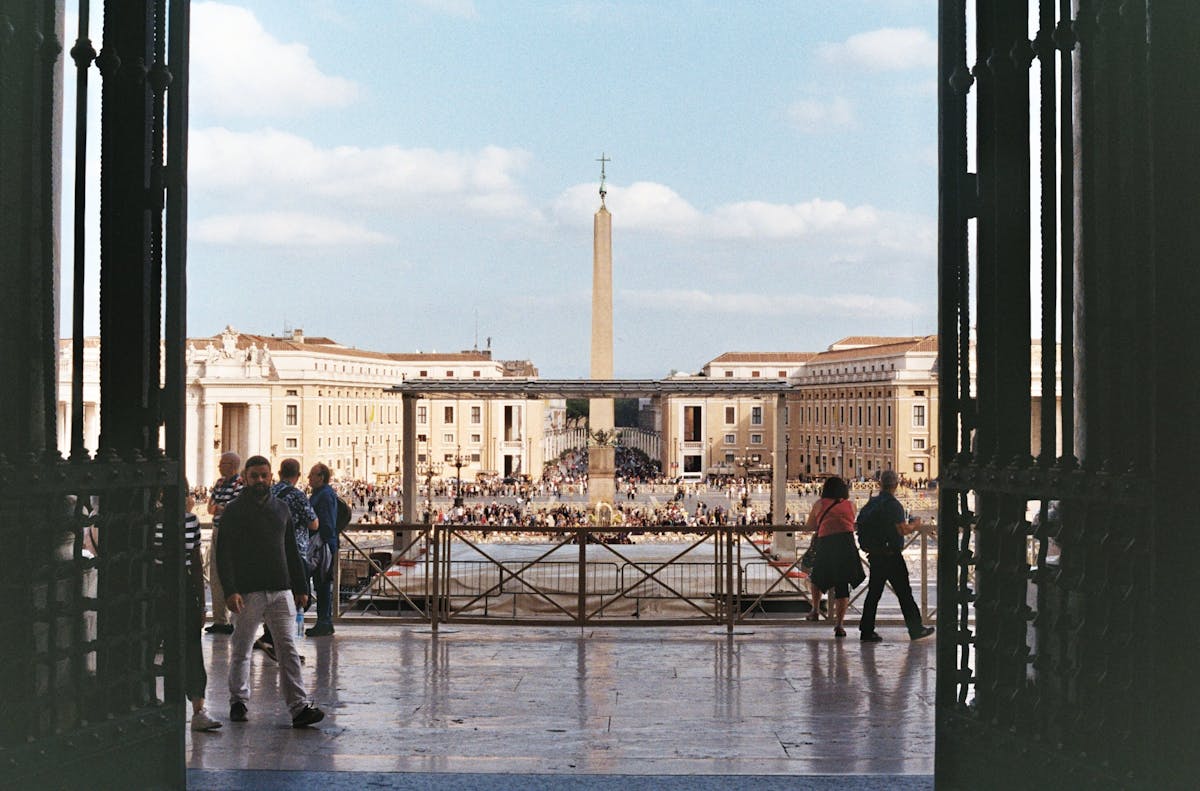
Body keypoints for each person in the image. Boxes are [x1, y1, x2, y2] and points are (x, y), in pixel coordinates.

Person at [216, 455, 324, 728]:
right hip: (248, 592)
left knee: (287, 648)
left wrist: (301, 587)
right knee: (241, 648)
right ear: (245, 478)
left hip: (280, 589)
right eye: (255, 476)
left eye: (264, 475)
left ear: (271, 477)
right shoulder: (233, 511)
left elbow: (291, 550)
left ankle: (299, 707)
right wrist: (230, 590)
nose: (260, 480)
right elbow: (224, 554)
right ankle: (238, 701)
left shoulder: (282, 509)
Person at [152, 484, 221, 731]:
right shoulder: (189, 521)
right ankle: (198, 710)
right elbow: (193, 562)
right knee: (191, 649)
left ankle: (151, 703)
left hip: (157, 587)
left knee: (152, 646)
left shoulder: (152, 521)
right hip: (177, 587)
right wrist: (200, 603)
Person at [857, 469, 935, 642]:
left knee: (873, 594)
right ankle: (915, 629)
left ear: (880, 484)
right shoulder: (894, 505)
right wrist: (914, 525)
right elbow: (902, 529)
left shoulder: (871, 503)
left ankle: (866, 630)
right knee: (904, 593)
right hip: (891, 555)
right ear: (896, 485)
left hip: (875, 555)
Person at [254, 458, 319, 662]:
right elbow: (313, 524)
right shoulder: (297, 496)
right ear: (297, 476)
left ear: (279, 473)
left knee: (270, 596)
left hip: (267, 553)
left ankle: (268, 635)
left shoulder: (268, 493)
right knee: (293, 602)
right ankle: (281, 645)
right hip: (293, 554)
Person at [805, 476, 865, 638]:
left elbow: (810, 526)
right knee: (842, 585)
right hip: (846, 545)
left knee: (816, 577)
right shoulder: (851, 505)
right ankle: (839, 624)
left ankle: (815, 609)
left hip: (827, 543)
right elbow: (852, 522)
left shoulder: (819, 504)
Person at [205, 452, 242, 634]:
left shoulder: (240, 483)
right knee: (215, 574)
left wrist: (221, 508)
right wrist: (221, 508)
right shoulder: (220, 483)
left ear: (232, 465)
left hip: (233, 533)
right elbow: (210, 508)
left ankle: (234, 619)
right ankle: (220, 620)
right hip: (217, 530)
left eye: (223, 463)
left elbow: (234, 508)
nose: (219, 466)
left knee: (232, 573)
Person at [305, 463, 338, 637]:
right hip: (325, 543)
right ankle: (324, 621)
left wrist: (320, 540)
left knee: (322, 584)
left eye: (312, 475)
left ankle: (324, 622)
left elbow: (325, 522)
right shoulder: (321, 494)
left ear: (321, 477)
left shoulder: (324, 495)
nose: (308, 478)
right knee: (322, 584)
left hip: (322, 545)